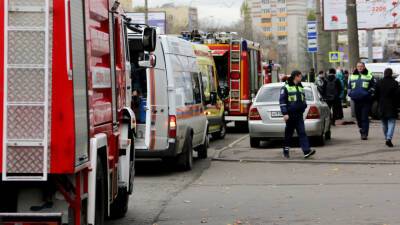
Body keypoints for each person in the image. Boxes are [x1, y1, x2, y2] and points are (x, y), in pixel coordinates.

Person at [280, 70, 316, 159]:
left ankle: (306, 151)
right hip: (290, 115)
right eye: (300, 76)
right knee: (288, 134)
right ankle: (286, 150)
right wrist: (285, 113)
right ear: (296, 77)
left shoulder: (300, 87)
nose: (301, 78)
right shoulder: (286, 87)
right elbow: (282, 101)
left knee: (302, 132)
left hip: (299, 115)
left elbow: (303, 99)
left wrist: (304, 106)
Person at [348, 62, 376, 140]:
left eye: (361, 66)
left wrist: (368, 93)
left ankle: (364, 133)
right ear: (356, 67)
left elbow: (374, 86)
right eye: (358, 66)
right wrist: (350, 94)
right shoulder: (352, 76)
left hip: (366, 100)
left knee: (364, 117)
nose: (359, 68)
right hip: (356, 100)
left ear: (364, 67)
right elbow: (349, 87)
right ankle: (361, 128)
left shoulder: (369, 75)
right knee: (358, 117)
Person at [375, 68, 399, 147]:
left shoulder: (379, 82)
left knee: (384, 123)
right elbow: (397, 95)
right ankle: (388, 138)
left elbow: (376, 95)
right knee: (391, 122)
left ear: (384, 73)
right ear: (391, 74)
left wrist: (379, 102)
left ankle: (387, 138)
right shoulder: (395, 83)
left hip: (382, 105)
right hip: (392, 106)